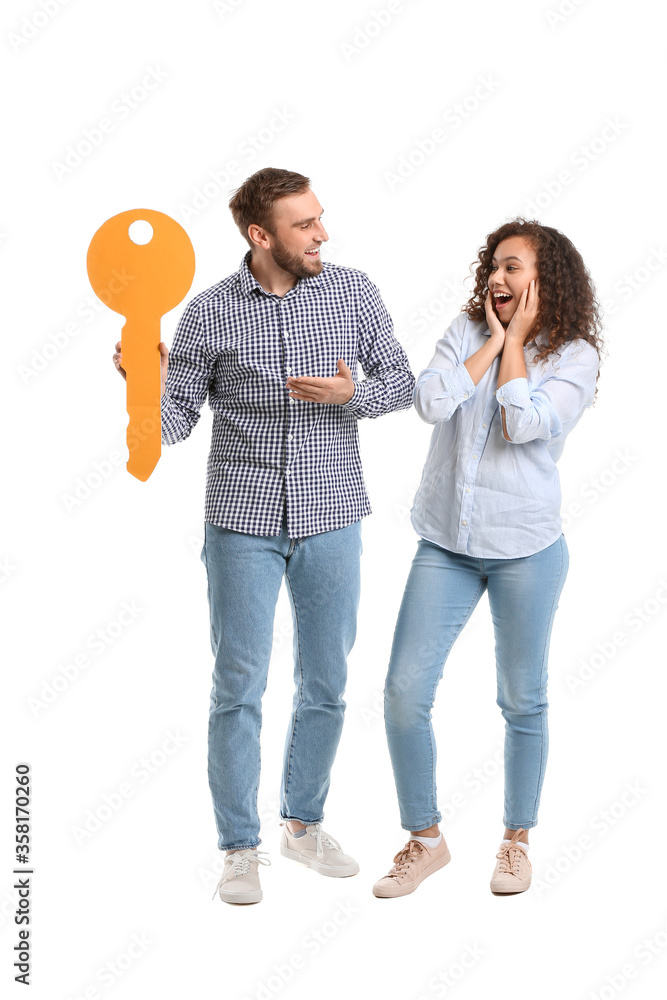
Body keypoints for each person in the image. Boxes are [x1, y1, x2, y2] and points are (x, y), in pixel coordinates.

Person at [113, 167, 414, 904]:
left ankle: (302, 827)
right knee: (237, 685)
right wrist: (140, 384)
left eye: (319, 219)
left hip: (333, 514)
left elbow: (403, 382)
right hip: (241, 521)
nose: (321, 234)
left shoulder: (353, 292)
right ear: (260, 236)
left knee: (327, 683)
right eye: (304, 224)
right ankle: (239, 848)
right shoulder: (210, 313)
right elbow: (173, 427)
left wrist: (356, 394)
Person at [372, 219, 603, 898]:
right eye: (493, 267)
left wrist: (516, 353)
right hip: (444, 543)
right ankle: (425, 839)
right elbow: (429, 401)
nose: (497, 280)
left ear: (545, 280)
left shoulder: (575, 356)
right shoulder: (464, 331)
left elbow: (521, 422)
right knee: (402, 695)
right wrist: (496, 341)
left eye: (513, 268)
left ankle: (514, 841)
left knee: (520, 699)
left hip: (525, 549)